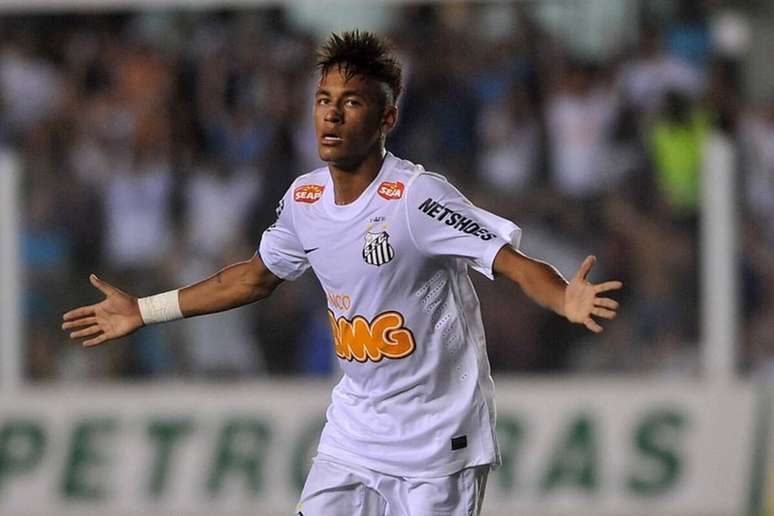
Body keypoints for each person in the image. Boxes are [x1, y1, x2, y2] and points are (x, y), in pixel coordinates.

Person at [62, 31, 622, 516]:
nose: (330, 114)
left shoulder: (416, 198)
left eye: (351, 102)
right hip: (355, 431)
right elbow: (253, 278)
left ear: (387, 118)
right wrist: (145, 309)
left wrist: (564, 298)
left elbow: (513, 265)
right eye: (323, 100)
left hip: (437, 440)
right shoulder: (304, 199)